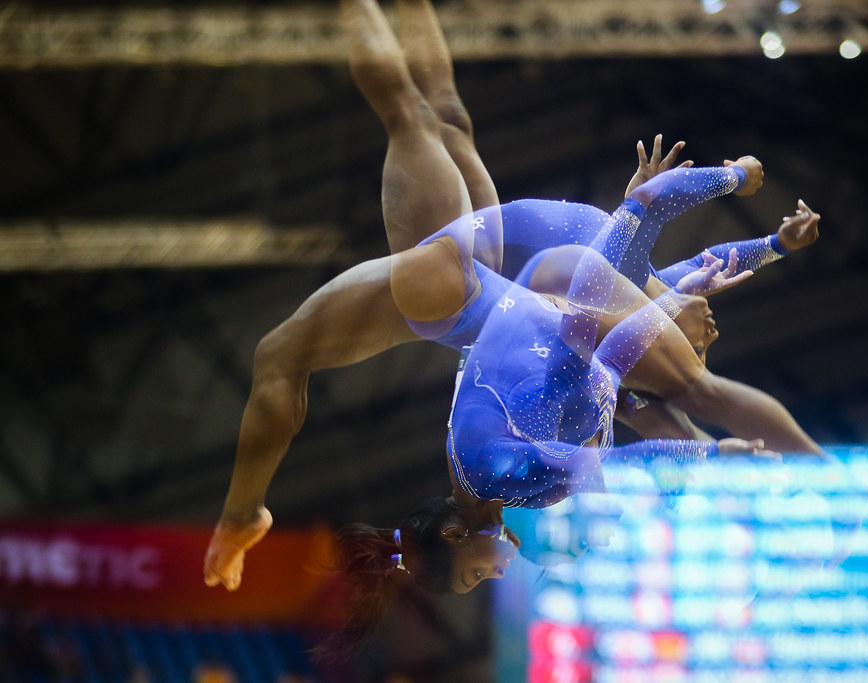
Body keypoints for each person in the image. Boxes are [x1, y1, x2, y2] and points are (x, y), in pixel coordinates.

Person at [204, 0, 823, 633]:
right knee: (447, 117)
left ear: (452, 529)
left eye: (476, 572)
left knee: (409, 118)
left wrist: (734, 181)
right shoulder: (536, 467)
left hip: (452, 299)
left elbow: (620, 452)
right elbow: (636, 333)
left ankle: (242, 514)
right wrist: (765, 249)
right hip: (507, 281)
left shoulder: (497, 471)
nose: (497, 571)